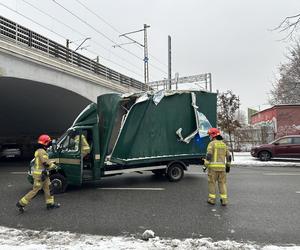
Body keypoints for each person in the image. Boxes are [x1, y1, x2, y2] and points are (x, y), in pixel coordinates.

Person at [16, 134, 60, 213]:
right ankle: (21, 203)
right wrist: (54, 166)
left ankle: (50, 204)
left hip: (44, 174)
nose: (50, 143)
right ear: (45, 143)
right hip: (40, 175)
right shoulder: (42, 151)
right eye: (49, 142)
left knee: (48, 189)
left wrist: (52, 162)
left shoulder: (39, 150)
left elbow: (42, 162)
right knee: (35, 191)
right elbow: (45, 163)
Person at [203, 128, 231, 206]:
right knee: (222, 184)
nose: (209, 137)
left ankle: (212, 199)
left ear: (213, 135)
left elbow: (209, 156)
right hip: (222, 169)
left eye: (210, 135)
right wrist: (228, 166)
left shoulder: (211, 144)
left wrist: (205, 166)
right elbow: (229, 156)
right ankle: (224, 200)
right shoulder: (224, 144)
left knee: (212, 183)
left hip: (213, 169)